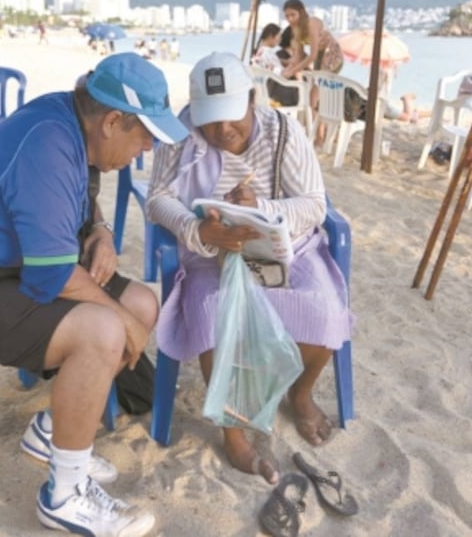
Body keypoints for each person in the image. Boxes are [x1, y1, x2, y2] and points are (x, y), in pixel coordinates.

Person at [0, 52, 188, 536]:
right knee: (107, 327)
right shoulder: (47, 142)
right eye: (143, 134)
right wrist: (122, 323)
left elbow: (81, 195)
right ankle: (65, 496)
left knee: (142, 301)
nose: (145, 149)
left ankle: (50, 431)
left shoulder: (73, 122)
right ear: (113, 121)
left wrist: (101, 229)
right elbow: (53, 277)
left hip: (9, 269)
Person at [146, 52, 354, 485]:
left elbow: (315, 203)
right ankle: (235, 434)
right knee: (212, 316)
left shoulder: (284, 131)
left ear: (253, 99)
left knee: (326, 312)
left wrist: (262, 209)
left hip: (283, 248)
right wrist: (197, 228)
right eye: (210, 119)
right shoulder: (180, 133)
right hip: (210, 252)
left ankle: (300, 395)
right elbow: (158, 198)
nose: (222, 131)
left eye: (231, 117)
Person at [281, 0, 345, 143]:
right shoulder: (295, 29)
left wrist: (292, 71)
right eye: (287, 16)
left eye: (293, 15)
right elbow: (298, 56)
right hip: (319, 59)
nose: (290, 19)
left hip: (332, 55)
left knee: (316, 94)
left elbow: (313, 54)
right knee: (315, 97)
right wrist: (287, 69)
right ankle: (322, 134)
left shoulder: (312, 22)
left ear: (301, 12)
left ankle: (322, 135)